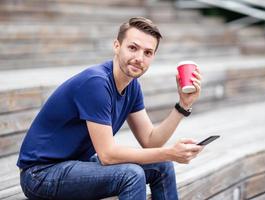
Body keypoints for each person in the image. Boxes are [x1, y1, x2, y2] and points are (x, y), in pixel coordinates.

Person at [17, 17, 203, 200]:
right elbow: (107, 155)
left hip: (74, 164)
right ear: (117, 46)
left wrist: (184, 105)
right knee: (131, 175)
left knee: (162, 166)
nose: (139, 58)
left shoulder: (132, 86)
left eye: (147, 53)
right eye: (133, 48)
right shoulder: (96, 83)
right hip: (40, 174)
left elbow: (150, 141)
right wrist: (170, 152)